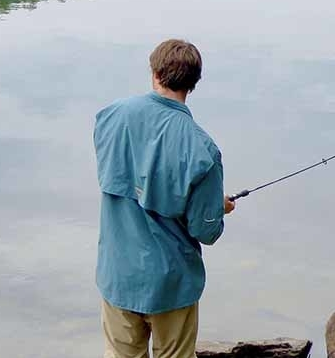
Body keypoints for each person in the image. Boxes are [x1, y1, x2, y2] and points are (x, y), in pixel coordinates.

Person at [93, 39, 235, 358]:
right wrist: (217, 208)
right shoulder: (204, 151)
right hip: (172, 284)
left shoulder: (111, 116)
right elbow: (205, 231)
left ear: (155, 73)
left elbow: (119, 176)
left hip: (118, 273)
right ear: (194, 83)